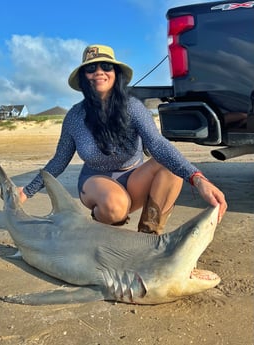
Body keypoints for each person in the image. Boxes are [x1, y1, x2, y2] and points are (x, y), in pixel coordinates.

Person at [18, 44, 227, 234]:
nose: (99, 71)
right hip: (96, 183)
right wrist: (27, 192)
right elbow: (59, 160)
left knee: (168, 168)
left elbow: (157, 144)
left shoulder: (133, 107)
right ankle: (103, 230)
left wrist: (198, 180)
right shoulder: (74, 117)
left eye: (106, 66)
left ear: (115, 73)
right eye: (91, 69)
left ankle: (148, 236)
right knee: (114, 206)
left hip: (134, 179)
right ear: (83, 77)